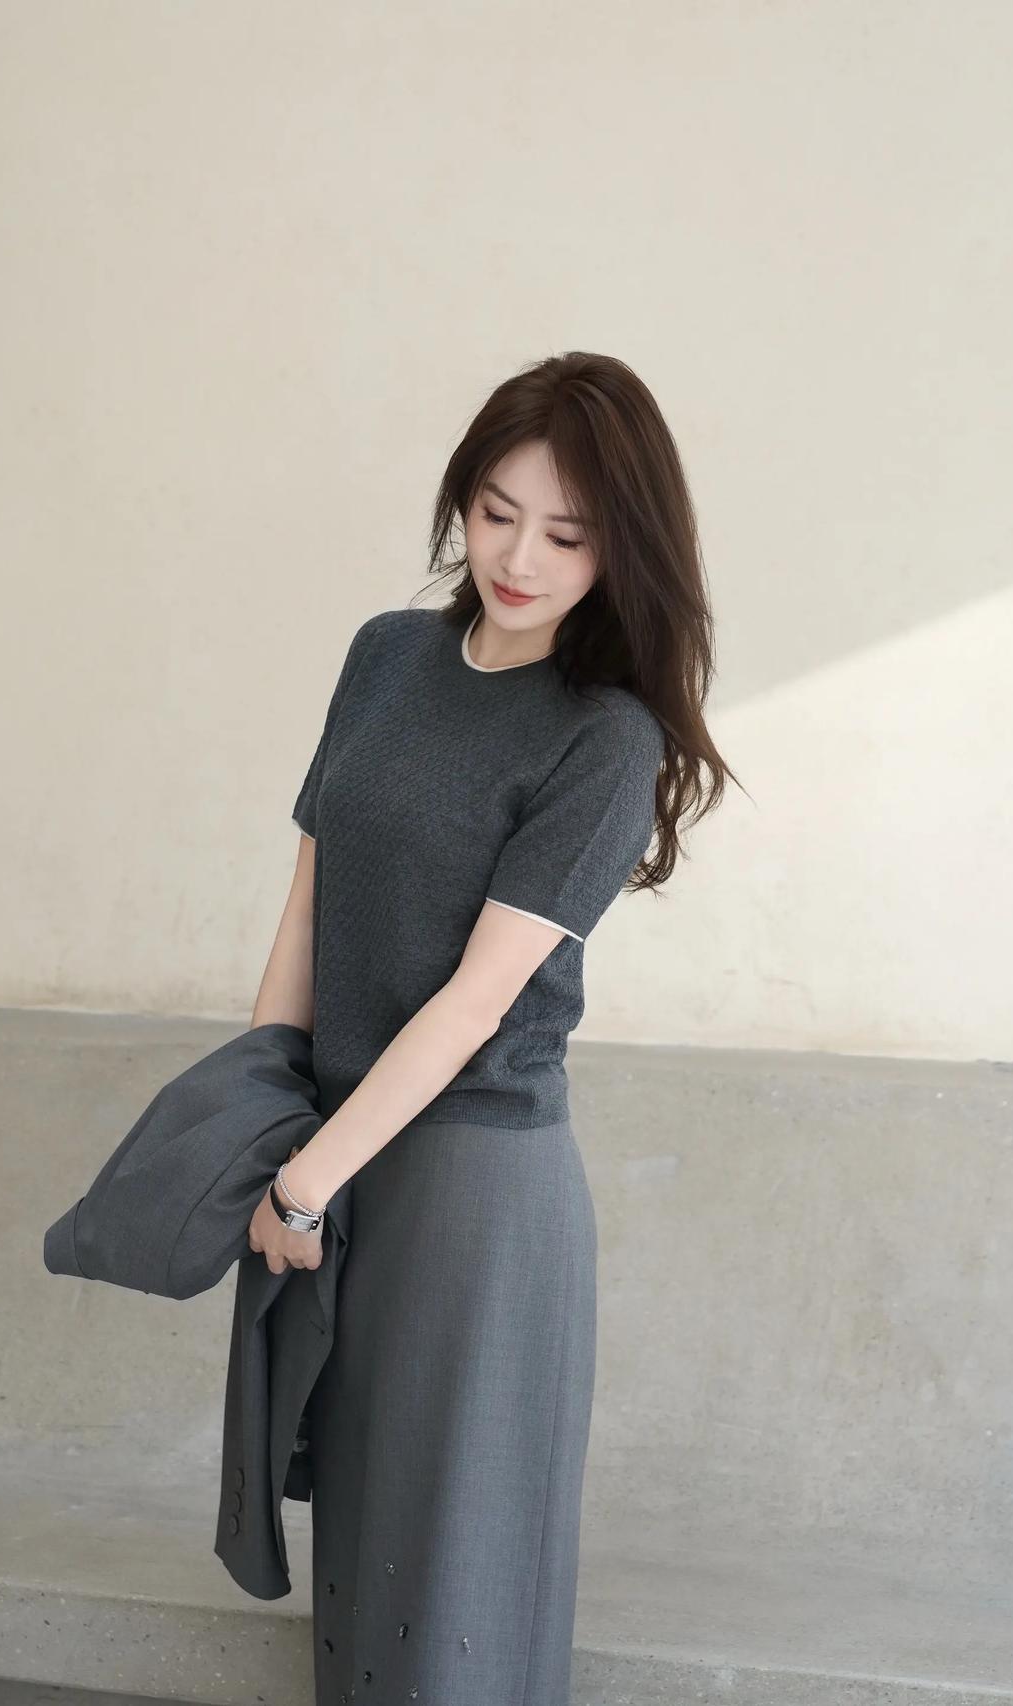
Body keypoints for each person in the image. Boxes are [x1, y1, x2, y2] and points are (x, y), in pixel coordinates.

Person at [245, 350, 732, 1705]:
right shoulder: (385, 656)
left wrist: (307, 1176)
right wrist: (261, 1115)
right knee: (361, 1560)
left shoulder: (605, 739)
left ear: (623, 549)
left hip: (471, 1185)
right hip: (330, 1150)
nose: (519, 557)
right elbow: (308, 899)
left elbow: (476, 1002)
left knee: (450, 1588)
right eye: (497, 512)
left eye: (567, 534)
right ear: (460, 500)